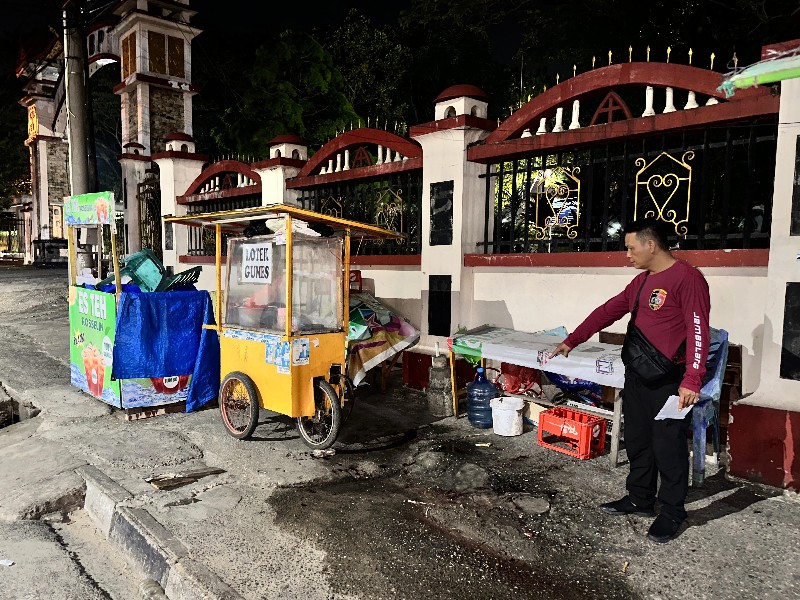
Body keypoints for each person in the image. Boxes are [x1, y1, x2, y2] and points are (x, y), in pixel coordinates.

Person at [550, 218, 710, 543]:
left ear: (651, 245)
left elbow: (698, 330)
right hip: (637, 377)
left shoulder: (687, 279)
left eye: (630, 247)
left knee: (668, 447)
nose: (627, 254)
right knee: (637, 440)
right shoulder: (640, 283)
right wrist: (574, 339)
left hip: (671, 382)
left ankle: (672, 512)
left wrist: (692, 379)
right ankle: (639, 498)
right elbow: (608, 311)